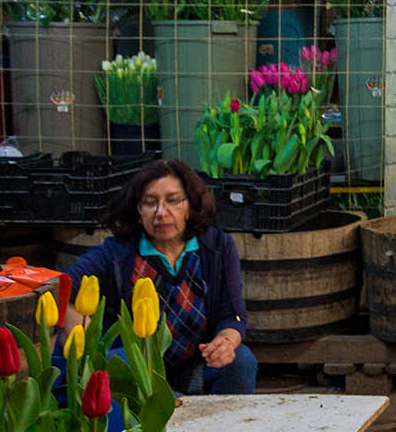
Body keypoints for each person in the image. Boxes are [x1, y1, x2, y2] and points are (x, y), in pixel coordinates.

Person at [63, 158, 256, 395]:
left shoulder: (216, 248)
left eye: (173, 201)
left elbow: (233, 315)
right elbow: (63, 287)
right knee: (122, 360)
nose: (161, 213)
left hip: (196, 365)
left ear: (190, 206)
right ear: (138, 212)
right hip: (139, 370)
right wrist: (86, 343)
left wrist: (226, 342)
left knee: (241, 361)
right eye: (149, 203)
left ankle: (229, 429)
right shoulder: (117, 255)